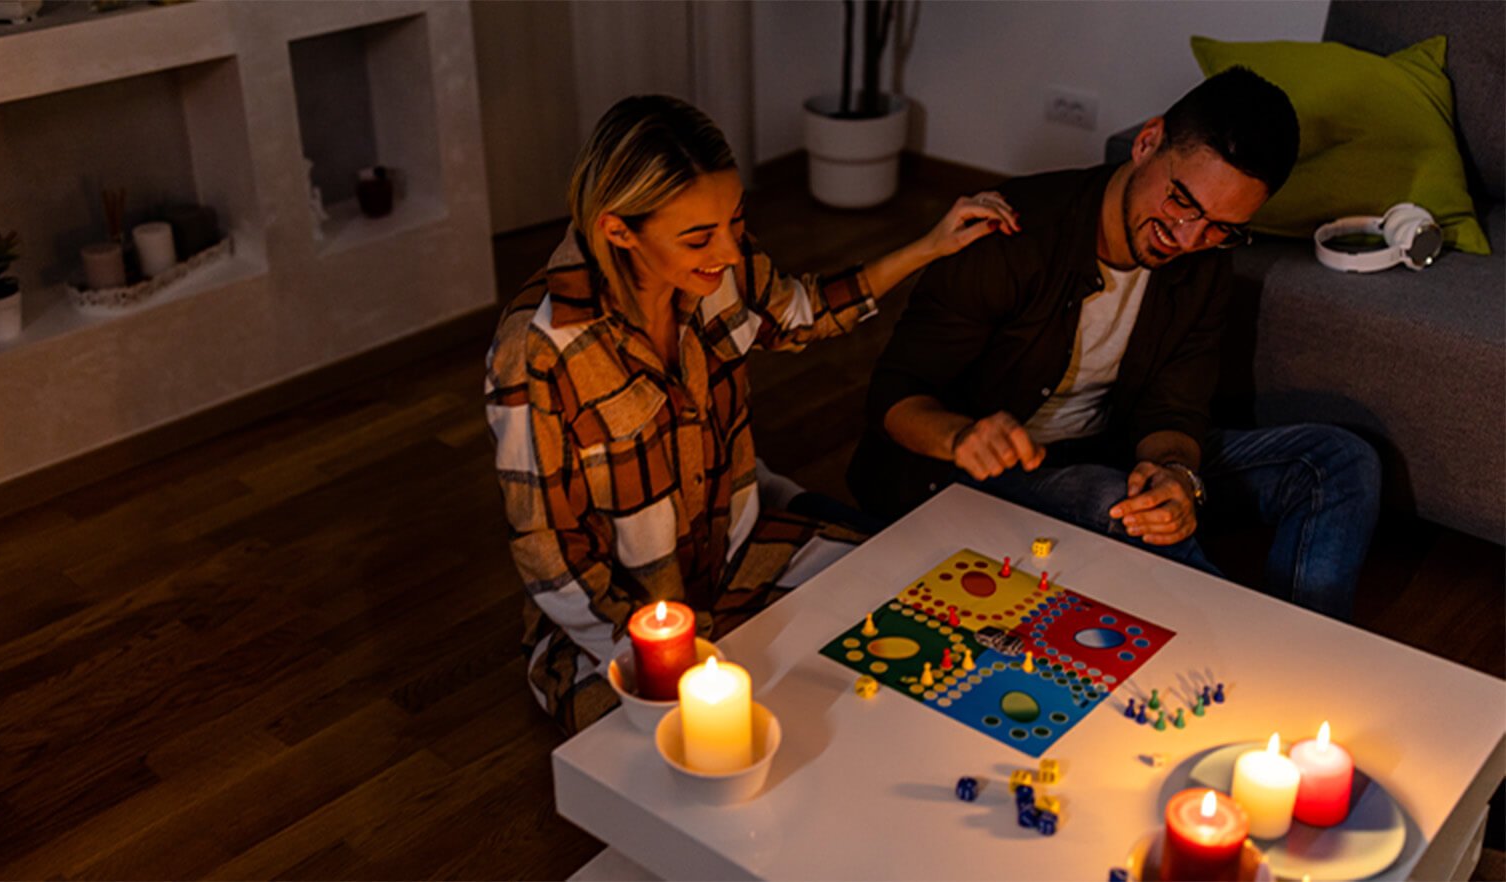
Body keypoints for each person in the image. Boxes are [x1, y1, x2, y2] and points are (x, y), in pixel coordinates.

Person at [486, 95, 1019, 734]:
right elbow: (550, 552)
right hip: (617, 623)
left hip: (742, 560)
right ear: (617, 230)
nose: (731, 253)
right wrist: (648, 660)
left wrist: (930, 246)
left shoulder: (717, 267)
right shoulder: (538, 350)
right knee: (689, 749)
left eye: (735, 222)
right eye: (700, 237)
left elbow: (799, 312)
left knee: (910, 617)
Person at [848, 67, 1380, 621]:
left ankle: (1304, 638)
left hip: (1111, 452)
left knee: (1339, 461)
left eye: (1223, 226)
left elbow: (1174, 408)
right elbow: (893, 396)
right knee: (1117, 506)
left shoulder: (1205, 257)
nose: (1189, 238)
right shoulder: (1013, 234)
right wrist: (960, 436)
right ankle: (1251, 652)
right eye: (1182, 202)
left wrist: (1175, 477)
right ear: (1147, 143)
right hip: (973, 474)